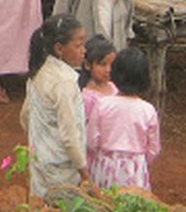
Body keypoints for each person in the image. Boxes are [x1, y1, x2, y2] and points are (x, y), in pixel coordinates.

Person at [20, 14, 89, 200]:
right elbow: (69, 136)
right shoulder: (64, 83)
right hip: (62, 167)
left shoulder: (38, 73)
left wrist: (41, 140)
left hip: (41, 163)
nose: (84, 50)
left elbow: (25, 116)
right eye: (78, 45)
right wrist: (84, 172)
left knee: (41, 211)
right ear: (59, 48)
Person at [87, 46, 160, 190]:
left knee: (104, 204)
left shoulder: (102, 104)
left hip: (105, 165)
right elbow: (153, 148)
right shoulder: (147, 110)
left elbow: (91, 141)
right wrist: (139, 160)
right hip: (135, 168)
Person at [80, 34, 117, 168]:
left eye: (112, 64)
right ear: (87, 65)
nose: (108, 70)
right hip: (97, 156)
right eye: (102, 64)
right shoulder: (86, 97)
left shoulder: (114, 88)